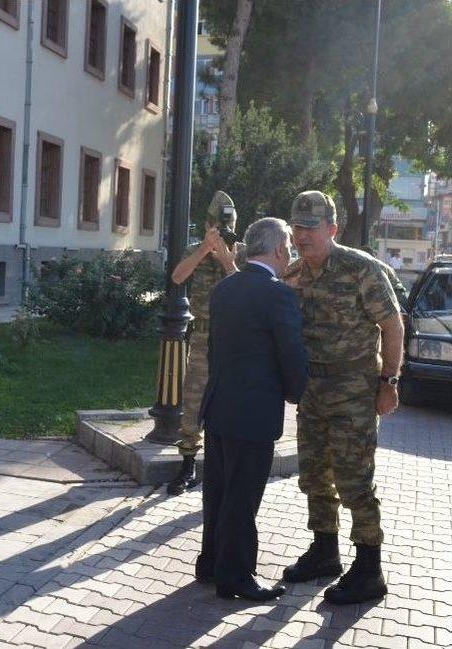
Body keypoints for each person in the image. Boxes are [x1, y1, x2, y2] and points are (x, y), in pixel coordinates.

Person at [282, 191, 404, 605]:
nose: (302, 235)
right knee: (315, 476)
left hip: (353, 392)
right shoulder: (297, 273)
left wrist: (388, 381)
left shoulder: (360, 269)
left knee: (354, 480)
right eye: (297, 227)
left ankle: (370, 569)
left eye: (310, 228)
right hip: (312, 390)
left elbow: (392, 326)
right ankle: (324, 551)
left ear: (332, 229)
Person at [197, 218, 307, 601]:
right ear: (278, 250)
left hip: (220, 406)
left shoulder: (224, 288)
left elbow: (214, 350)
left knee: (218, 491)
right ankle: (236, 578)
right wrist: (297, 392)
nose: (291, 254)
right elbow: (290, 353)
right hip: (253, 414)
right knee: (242, 499)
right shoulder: (278, 295)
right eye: (290, 247)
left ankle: (210, 563)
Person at [166, 191, 241, 496]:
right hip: (202, 336)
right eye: (218, 226)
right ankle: (187, 466)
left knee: (230, 402)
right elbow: (177, 277)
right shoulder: (194, 250)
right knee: (194, 401)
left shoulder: (243, 253)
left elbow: (246, 289)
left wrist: (226, 260)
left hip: (232, 338)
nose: (223, 231)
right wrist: (204, 250)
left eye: (228, 225)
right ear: (209, 224)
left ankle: (222, 465)